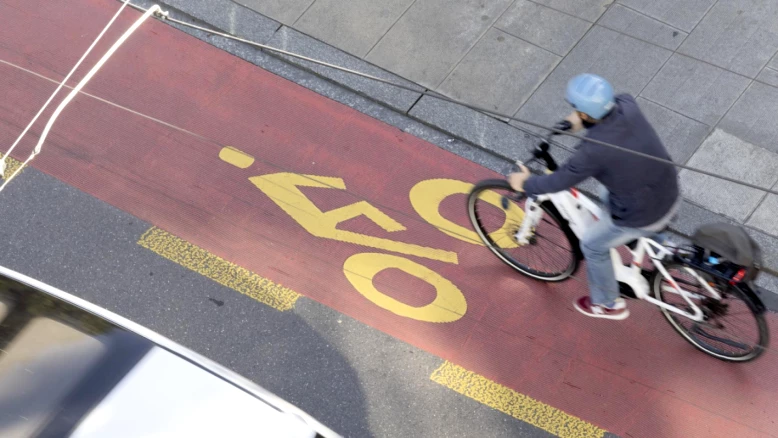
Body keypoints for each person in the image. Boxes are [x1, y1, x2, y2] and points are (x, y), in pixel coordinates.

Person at [508, 73, 681, 320]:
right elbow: (601, 117)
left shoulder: (593, 152)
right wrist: (576, 122)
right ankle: (661, 244)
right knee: (606, 191)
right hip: (668, 189)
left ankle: (608, 303)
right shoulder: (627, 104)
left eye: (576, 110)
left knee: (591, 245)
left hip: (642, 213)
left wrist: (525, 183)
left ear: (586, 114)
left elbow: (557, 182)